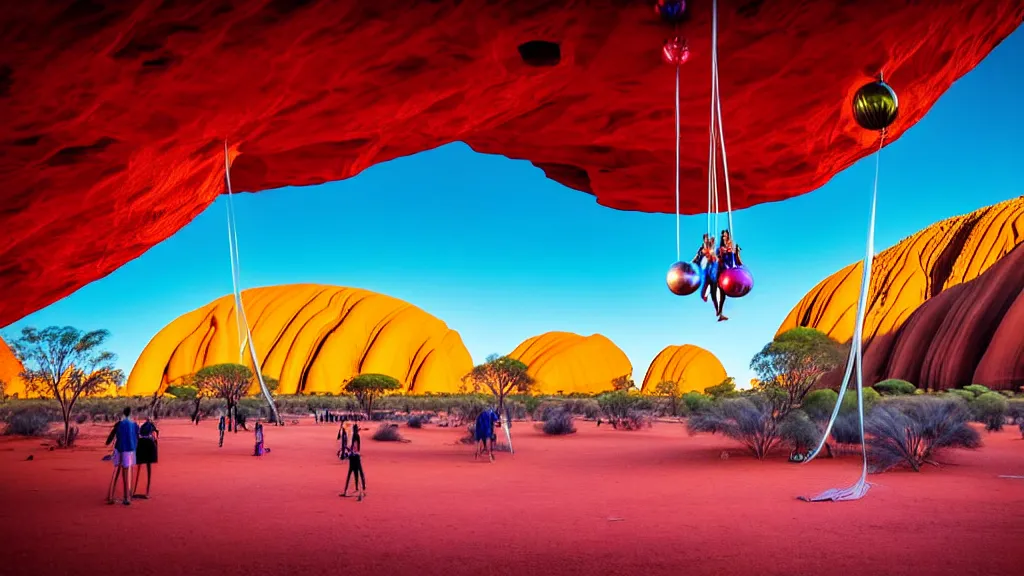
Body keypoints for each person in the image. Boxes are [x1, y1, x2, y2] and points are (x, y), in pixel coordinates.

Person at [105, 407, 140, 506]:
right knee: (126, 472)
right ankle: (126, 498)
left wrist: (107, 443)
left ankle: (110, 496)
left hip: (119, 448)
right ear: (131, 413)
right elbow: (138, 436)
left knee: (116, 471)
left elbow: (111, 436)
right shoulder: (134, 424)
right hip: (129, 449)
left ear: (123, 413)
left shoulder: (120, 423)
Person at [714, 229, 743, 322]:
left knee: (723, 295)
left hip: (731, 272)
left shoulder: (733, 248)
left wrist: (737, 252)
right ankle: (720, 312)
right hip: (723, 272)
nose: (724, 237)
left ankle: (720, 312)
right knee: (722, 294)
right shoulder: (720, 249)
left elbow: (739, 262)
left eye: (725, 235)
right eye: (723, 236)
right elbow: (718, 261)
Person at [133, 417, 159, 499]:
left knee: (139, 466)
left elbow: (138, 435)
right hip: (149, 445)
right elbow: (156, 434)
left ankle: (134, 490)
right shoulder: (151, 425)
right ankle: (147, 491)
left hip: (141, 444)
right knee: (148, 468)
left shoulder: (141, 426)